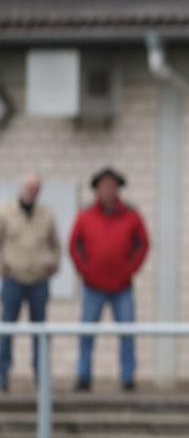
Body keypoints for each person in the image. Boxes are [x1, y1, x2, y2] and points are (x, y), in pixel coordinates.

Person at [69, 167, 150, 392]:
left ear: (118, 189)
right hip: (92, 286)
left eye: (112, 186)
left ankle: (127, 377)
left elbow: (142, 244)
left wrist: (129, 269)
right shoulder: (85, 216)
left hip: (122, 287)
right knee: (86, 333)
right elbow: (74, 245)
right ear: (97, 190)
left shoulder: (131, 216)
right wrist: (86, 270)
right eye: (103, 186)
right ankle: (83, 376)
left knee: (127, 333)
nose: (108, 190)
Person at [0, 174, 61, 392]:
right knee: (7, 329)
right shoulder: (6, 213)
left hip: (38, 282)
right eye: (28, 187)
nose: (31, 191)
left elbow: (56, 245)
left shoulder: (46, 215)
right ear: (21, 187)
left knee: (40, 332)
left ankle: (40, 377)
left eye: (36, 188)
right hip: (13, 280)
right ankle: (2, 376)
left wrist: (52, 264)